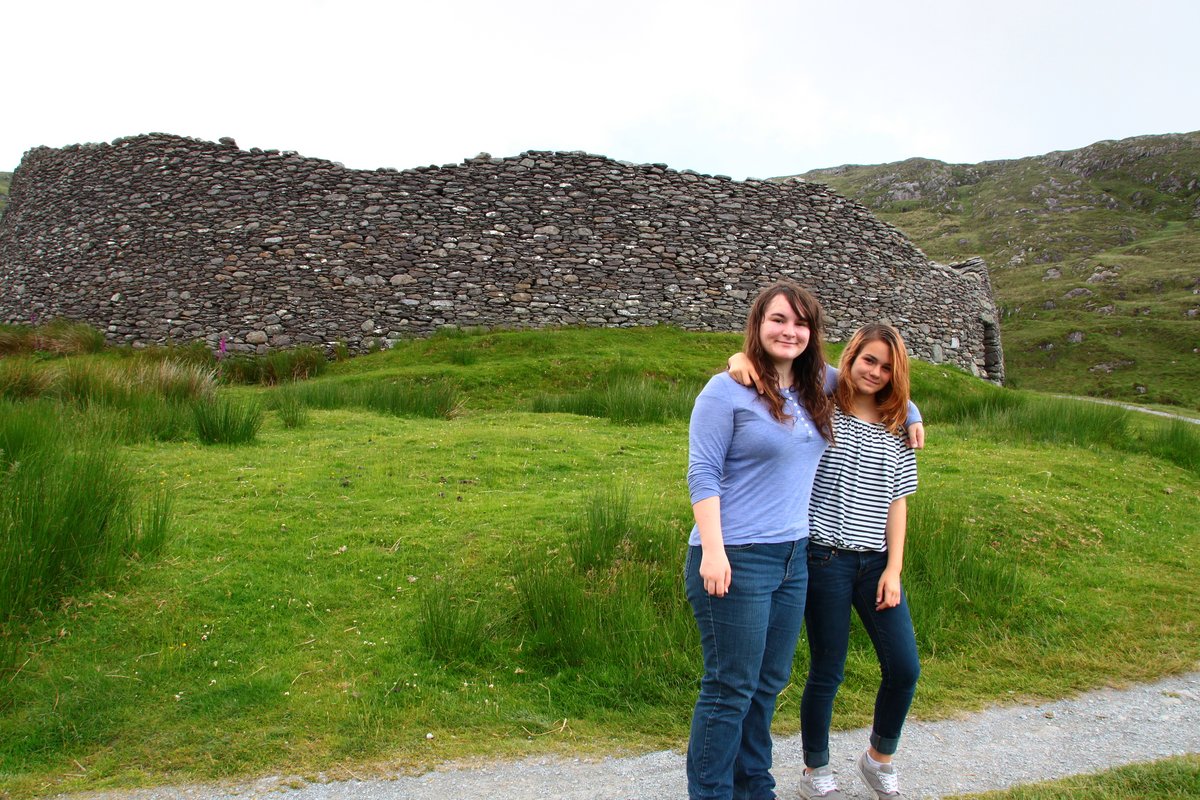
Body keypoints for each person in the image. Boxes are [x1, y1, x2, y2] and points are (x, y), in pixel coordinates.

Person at [685, 281, 836, 800]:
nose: (788, 331)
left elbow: (874, 382)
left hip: (794, 557)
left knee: (767, 685)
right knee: (730, 690)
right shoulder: (724, 390)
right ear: (758, 324)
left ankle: (755, 788)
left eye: (800, 322)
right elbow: (702, 474)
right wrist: (713, 550)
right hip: (736, 557)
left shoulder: (818, 385)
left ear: (811, 332)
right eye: (778, 319)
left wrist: (910, 414)